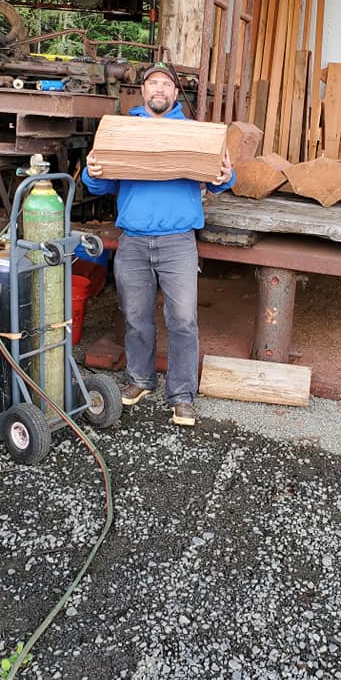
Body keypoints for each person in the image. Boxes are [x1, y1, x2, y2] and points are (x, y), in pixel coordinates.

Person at [81, 61, 235, 427]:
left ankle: (181, 395)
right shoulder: (123, 131)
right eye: (153, 83)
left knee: (183, 320)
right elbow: (100, 184)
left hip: (177, 242)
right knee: (136, 317)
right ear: (143, 91)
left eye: (167, 84)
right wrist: (92, 171)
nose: (160, 89)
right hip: (133, 241)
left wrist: (226, 176)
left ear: (175, 93)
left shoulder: (194, 134)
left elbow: (218, 182)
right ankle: (140, 380)